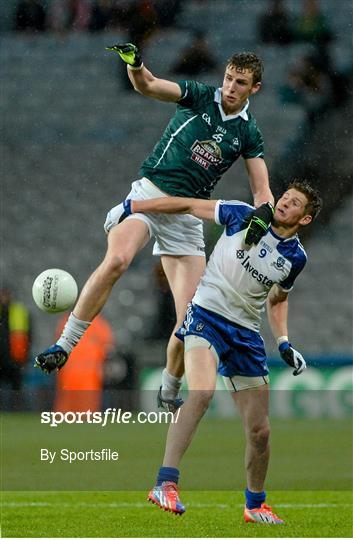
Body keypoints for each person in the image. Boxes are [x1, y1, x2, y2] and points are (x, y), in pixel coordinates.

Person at [34, 42, 274, 411]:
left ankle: (168, 387)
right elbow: (147, 85)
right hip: (148, 195)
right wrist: (135, 64)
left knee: (192, 319)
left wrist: (267, 216)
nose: (230, 87)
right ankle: (65, 345)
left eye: (240, 82)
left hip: (186, 216)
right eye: (228, 78)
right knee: (117, 260)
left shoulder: (248, 133)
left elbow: (262, 191)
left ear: (254, 88)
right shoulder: (198, 96)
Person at [119, 180, 322, 523]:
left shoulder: (296, 257)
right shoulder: (241, 215)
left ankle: (255, 505)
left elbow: (277, 299)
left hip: (245, 334)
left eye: (293, 204)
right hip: (206, 316)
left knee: (260, 431)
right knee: (202, 392)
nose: (284, 204)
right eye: (284, 198)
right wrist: (137, 207)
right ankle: (164, 482)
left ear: (305, 219)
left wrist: (284, 341)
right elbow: (187, 205)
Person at [0, 285, 31, 410]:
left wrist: (24, 356)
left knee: (16, 387)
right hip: (1, 356)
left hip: (15, 357)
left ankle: (16, 409)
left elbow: (28, 335)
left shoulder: (19, 311)